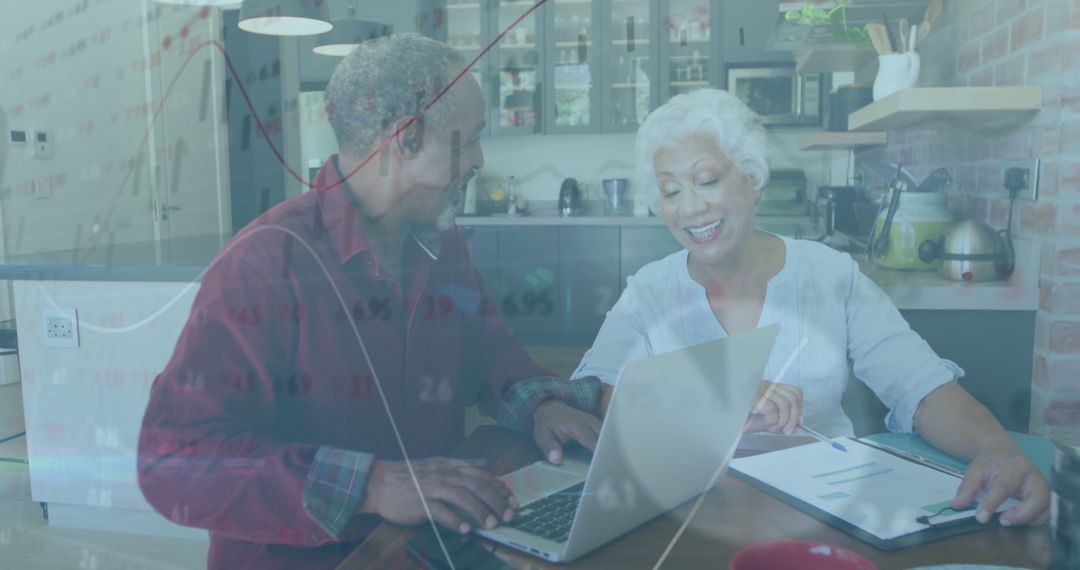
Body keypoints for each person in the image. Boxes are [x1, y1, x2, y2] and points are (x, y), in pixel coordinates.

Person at [137, 34, 603, 570]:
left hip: (426, 544)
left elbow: (487, 349)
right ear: (406, 140)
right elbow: (172, 461)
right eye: (469, 140)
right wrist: (374, 485)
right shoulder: (263, 265)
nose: (478, 160)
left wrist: (542, 404)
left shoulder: (440, 240)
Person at [572, 88, 1049, 526]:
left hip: (822, 513)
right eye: (671, 191)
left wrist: (995, 447)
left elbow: (920, 387)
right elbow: (592, 395)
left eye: (707, 180)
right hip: (687, 516)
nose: (690, 208)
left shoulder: (829, 274)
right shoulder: (650, 290)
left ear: (753, 177)